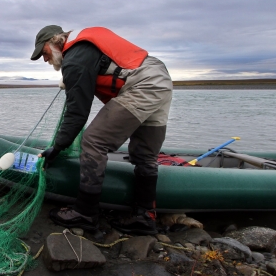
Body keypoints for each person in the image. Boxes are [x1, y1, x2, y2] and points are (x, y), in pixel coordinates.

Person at [31, 25, 173, 235]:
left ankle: (85, 212)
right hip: (160, 78)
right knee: (145, 154)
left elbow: (77, 113)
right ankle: (144, 216)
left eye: (44, 53)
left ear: (55, 42)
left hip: (142, 84)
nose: (45, 59)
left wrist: (58, 147)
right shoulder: (82, 50)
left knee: (93, 140)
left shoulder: (75, 58)